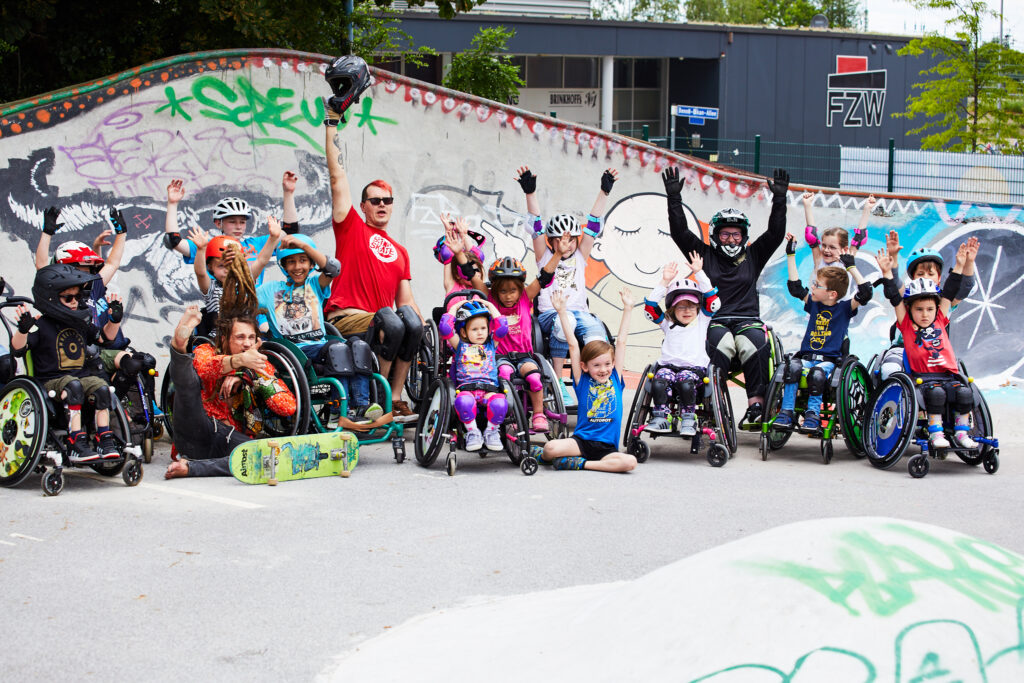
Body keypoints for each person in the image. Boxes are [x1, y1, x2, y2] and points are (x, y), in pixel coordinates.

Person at [321, 68, 423, 424]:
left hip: (386, 323)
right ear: (363, 206)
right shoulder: (350, 227)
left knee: (409, 322)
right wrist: (331, 123)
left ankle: (394, 398)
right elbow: (337, 179)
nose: (381, 204)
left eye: (387, 200)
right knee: (393, 321)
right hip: (347, 316)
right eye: (374, 200)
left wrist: (426, 332)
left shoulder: (401, 251)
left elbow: (406, 302)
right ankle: (380, 392)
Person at [664, 166, 790, 425]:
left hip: (748, 320)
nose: (731, 239)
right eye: (725, 234)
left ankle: (756, 406)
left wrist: (780, 199)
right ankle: (713, 403)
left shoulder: (754, 255)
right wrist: (674, 199)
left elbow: (776, 234)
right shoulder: (703, 254)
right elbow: (680, 233)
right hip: (715, 319)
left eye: (736, 234)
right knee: (721, 343)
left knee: (754, 342)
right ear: (716, 236)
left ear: (744, 236)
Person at [165, 250, 297, 479]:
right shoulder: (207, 350)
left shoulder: (259, 364)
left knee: (261, 456)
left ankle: (191, 469)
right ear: (225, 339)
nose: (246, 344)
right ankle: (179, 345)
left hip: (229, 438)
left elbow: (287, 407)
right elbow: (204, 369)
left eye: (250, 338)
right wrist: (236, 362)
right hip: (196, 428)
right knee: (187, 381)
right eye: (239, 338)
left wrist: (249, 374)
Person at [256, 232, 381, 423]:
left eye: (303, 260)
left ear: (311, 263)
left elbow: (334, 268)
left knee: (359, 345)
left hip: (321, 346)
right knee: (337, 349)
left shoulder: (315, 284)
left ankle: (362, 405)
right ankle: (338, 409)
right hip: (296, 351)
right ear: (283, 266)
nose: (297, 267)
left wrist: (305, 246)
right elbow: (243, 289)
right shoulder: (269, 290)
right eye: (291, 262)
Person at [11, 265, 125, 462]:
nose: (75, 302)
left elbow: (105, 339)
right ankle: (75, 441)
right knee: (73, 386)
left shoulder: (79, 322)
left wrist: (114, 319)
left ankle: (104, 439)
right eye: (68, 298)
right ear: (51, 298)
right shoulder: (41, 325)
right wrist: (22, 330)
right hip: (50, 381)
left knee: (103, 388)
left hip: (79, 378)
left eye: (77, 297)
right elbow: (18, 349)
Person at [517, 166, 617, 387]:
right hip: (550, 314)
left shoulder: (580, 256)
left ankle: (593, 384)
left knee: (597, 333)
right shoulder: (545, 256)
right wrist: (530, 193)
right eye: (562, 239)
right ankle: (558, 380)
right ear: (551, 241)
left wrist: (604, 191)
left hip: (580, 313)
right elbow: (535, 225)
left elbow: (593, 225)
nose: (567, 243)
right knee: (566, 323)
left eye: (572, 239)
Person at [875, 243, 979, 449]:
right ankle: (900, 418)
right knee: (892, 371)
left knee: (966, 392)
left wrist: (962, 264)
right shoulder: (907, 306)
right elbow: (894, 294)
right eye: (920, 309)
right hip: (908, 354)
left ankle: (961, 432)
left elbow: (953, 290)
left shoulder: (940, 314)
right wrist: (889, 269)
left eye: (929, 309)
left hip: (941, 368)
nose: (925, 313)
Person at [530, 289, 637, 473]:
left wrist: (628, 309)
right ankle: (544, 457)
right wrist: (562, 312)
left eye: (607, 364)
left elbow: (621, 342)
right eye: (596, 365)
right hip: (581, 442)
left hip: (608, 449)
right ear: (585, 366)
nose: (603, 370)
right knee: (550, 448)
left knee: (630, 462)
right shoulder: (583, 380)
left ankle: (580, 464)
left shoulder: (615, 379)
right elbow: (572, 344)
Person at [775, 235, 872, 432]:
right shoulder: (814, 305)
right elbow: (795, 287)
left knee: (817, 375)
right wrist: (790, 253)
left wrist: (851, 267)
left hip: (828, 361)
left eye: (817, 285)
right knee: (791, 368)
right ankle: (786, 412)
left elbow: (866, 292)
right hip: (806, 357)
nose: (812, 287)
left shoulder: (845, 308)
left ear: (832, 293)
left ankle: (812, 415)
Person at [35, 206, 140, 377]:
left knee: (140, 363)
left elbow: (112, 263)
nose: (85, 276)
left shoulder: (93, 286)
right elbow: (41, 267)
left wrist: (121, 234)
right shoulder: (56, 291)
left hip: (100, 348)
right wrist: (47, 233)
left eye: (88, 271)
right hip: (71, 354)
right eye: (79, 271)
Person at [162, 171, 300, 286]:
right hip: (222, 310)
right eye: (232, 222)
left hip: (254, 312)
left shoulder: (255, 244)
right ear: (218, 223)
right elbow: (174, 241)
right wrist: (172, 204)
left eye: (242, 222)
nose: (238, 226)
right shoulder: (209, 246)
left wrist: (288, 193)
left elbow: (290, 232)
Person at [876, 232, 977, 379]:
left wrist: (968, 263)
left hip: (933, 350)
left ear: (939, 278)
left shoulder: (943, 302)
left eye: (931, 274)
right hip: (902, 348)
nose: (925, 278)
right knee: (889, 369)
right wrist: (893, 257)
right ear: (913, 278)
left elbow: (964, 287)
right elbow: (894, 286)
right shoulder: (908, 295)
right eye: (920, 274)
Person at [642, 252, 720, 436]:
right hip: (668, 367)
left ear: (697, 308)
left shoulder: (702, 320)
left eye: (691, 306)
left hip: (694, 370)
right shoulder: (667, 323)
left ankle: (688, 419)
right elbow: (650, 307)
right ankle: (662, 418)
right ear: (672, 309)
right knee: (659, 380)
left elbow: (712, 301)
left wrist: (699, 273)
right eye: (681, 307)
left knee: (685, 381)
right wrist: (664, 281)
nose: (687, 311)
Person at [488, 254, 558, 433]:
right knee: (505, 374)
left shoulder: (525, 299)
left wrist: (558, 254)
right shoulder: (491, 301)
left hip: (524, 357)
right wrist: (459, 252)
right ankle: (510, 416)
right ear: (496, 291)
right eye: (503, 291)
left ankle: (538, 414)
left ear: (520, 290)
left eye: (513, 290)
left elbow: (544, 277)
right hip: (500, 357)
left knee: (534, 377)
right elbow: (472, 278)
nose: (508, 296)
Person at [438, 299, 509, 452]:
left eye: (483, 328)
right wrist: (455, 307)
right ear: (464, 332)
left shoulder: (491, 345)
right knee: (463, 402)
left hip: (489, 389)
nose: (480, 332)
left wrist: (490, 305)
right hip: (466, 390)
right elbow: (444, 328)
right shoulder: (460, 345)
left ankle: (491, 432)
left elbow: (502, 327)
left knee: (500, 404)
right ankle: (472, 432)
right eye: (474, 329)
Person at [187, 216, 281, 323]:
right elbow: (200, 273)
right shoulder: (211, 289)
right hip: (219, 337)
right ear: (210, 267)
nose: (227, 270)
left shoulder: (245, 282)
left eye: (232, 265)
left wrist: (273, 238)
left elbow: (261, 260)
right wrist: (201, 249)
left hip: (245, 336)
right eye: (221, 266)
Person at [801, 191, 873, 291]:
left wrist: (867, 209)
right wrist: (807, 205)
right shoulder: (819, 260)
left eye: (832, 247)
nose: (826, 250)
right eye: (824, 246)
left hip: (841, 306)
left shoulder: (845, 264)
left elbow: (860, 238)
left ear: (844, 249)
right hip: (818, 306)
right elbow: (811, 236)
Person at [436, 214, 487, 305]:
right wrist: (449, 231)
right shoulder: (452, 286)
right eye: (472, 271)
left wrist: (464, 234)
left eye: (478, 270)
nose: (477, 274)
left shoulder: (481, 288)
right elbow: (447, 254)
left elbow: (478, 256)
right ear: (458, 274)